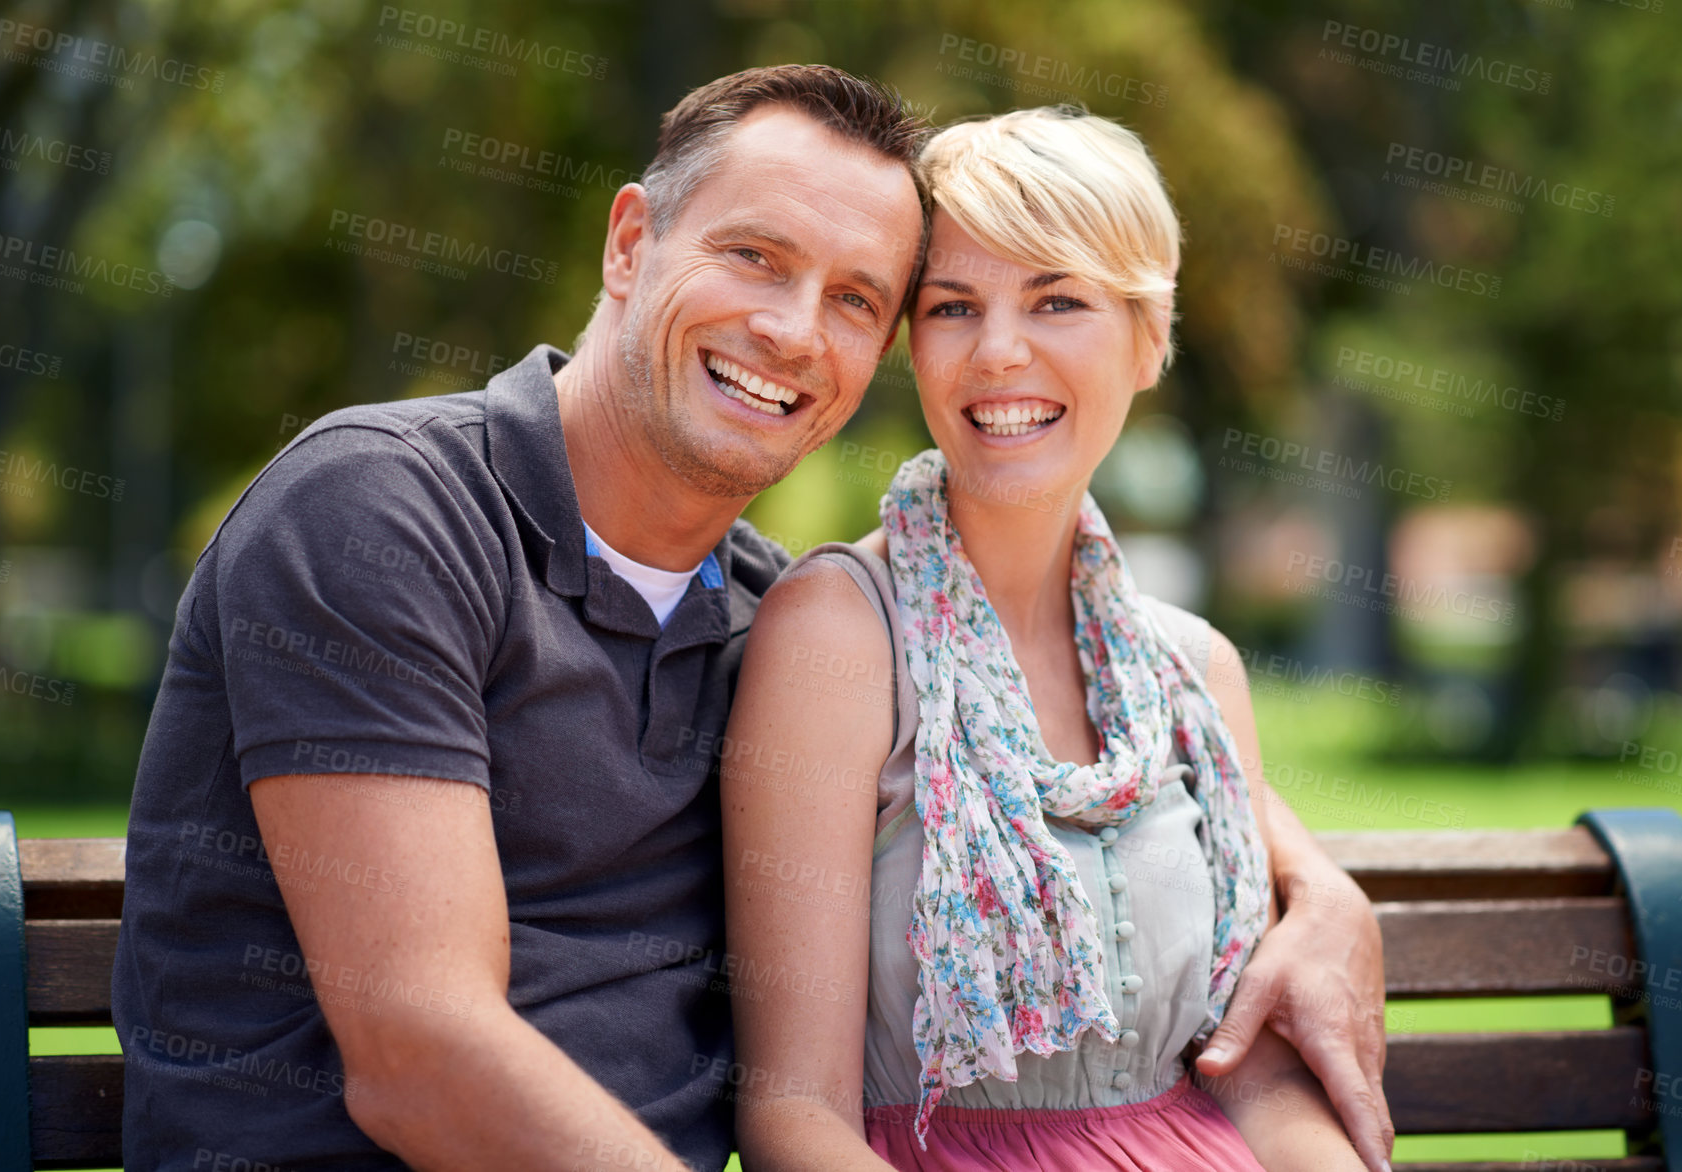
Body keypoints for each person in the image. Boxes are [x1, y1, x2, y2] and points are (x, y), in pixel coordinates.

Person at [111, 63, 1386, 1172]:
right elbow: (419, 1051)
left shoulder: (763, 611)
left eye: (852, 298)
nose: (789, 331)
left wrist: (1321, 885)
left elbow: (1103, 761)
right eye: (754, 257)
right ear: (629, 244)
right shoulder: (384, 513)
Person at [722, 107, 1384, 1171]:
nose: (997, 352)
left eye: (1057, 298)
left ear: (1146, 335)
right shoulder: (837, 634)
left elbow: (1248, 1071)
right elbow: (792, 1116)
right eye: (951, 306)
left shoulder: (1192, 669)